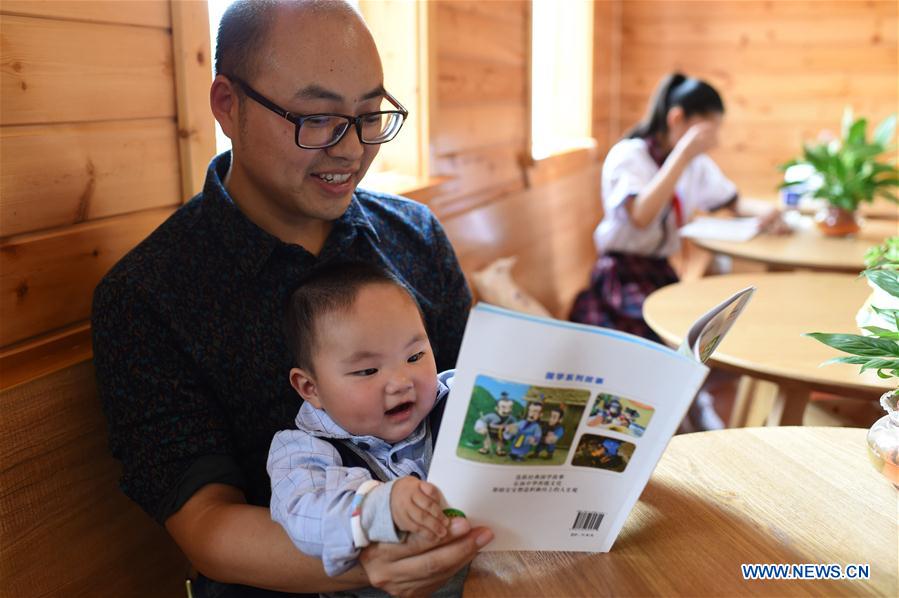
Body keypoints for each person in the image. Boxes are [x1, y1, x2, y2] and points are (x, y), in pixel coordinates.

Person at [91, 1, 492, 596]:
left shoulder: (415, 236)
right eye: (318, 118)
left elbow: (476, 410)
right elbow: (206, 523)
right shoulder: (148, 295)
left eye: (369, 115)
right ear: (228, 105)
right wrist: (370, 560)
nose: (351, 150)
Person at [569, 72, 783, 431]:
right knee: (657, 343)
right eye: (707, 130)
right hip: (620, 272)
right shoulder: (630, 156)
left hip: (659, 270)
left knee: (697, 330)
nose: (714, 141)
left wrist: (770, 213)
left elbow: (732, 201)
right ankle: (672, 418)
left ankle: (692, 407)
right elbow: (640, 216)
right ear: (676, 118)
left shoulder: (696, 164)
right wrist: (683, 154)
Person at [269, 261, 464, 597]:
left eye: (415, 356)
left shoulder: (456, 398)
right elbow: (304, 515)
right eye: (368, 371)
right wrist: (378, 506)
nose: (401, 381)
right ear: (311, 388)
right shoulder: (303, 451)